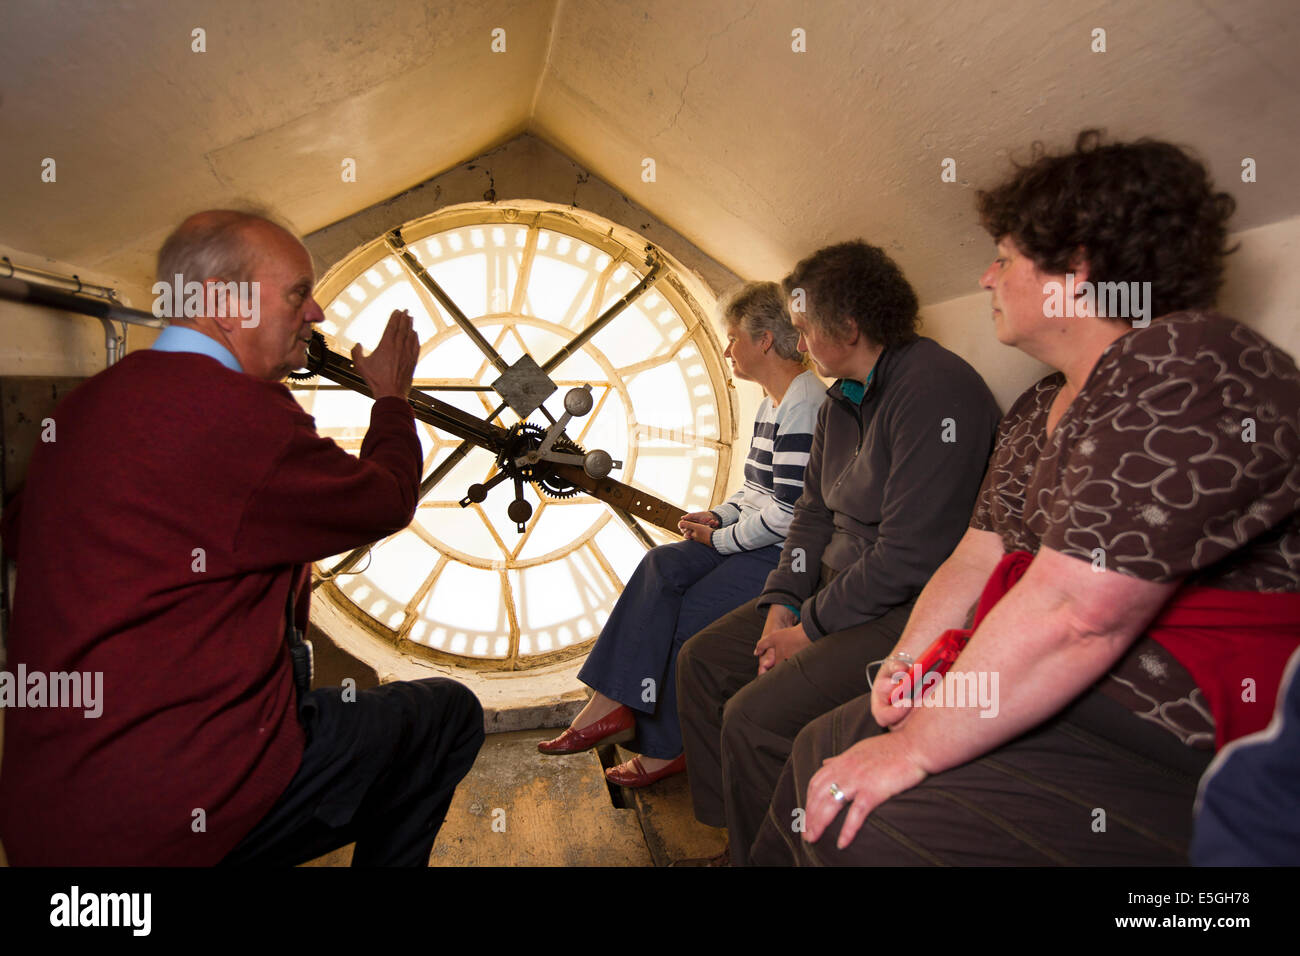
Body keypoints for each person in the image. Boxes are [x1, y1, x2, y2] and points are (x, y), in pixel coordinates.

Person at [750, 131, 1300, 866]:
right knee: (823, 742)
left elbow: (1079, 615)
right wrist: (907, 666)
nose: (985, 277)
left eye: (1004, 257)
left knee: (871, 827)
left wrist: (913, 746)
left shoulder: (1190, 360)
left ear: (1076, 270)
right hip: (1071, 686)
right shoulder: (1039, 405)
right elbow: (976, 557)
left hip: (1161, 720)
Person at [0, 209, 485, 866]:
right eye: (297, 292)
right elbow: (386, 498)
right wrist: (392, 399)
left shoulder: (85, 409)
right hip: (172, 817)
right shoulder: (241, 415)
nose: (314, 311)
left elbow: (24, 530)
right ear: (224, 306)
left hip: (50, 822)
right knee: (445, 716)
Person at [676, 242, 1002, 865]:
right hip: (829, 589)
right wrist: (780, 602)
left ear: (847, 327)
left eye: (802, 330)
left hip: (904, 610)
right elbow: (812, 513)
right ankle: (734, 837)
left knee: (753, 717)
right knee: (704, 662)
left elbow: (909, 557)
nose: (798, 343)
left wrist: (812, 627)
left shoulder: (936, 393)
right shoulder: (842, 394)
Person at [537, 282, 823, 788]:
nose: (728, 350)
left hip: (781, 556)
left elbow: (788, 514)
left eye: (734, 339)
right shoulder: (770, 403)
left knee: (686, 615)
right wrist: (717, 515)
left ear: (764, 341)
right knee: (661, 566)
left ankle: (668, 747)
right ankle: (610, 705)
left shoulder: (805, 403)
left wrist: (719, 541)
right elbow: (755, 492)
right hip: (751, 539)